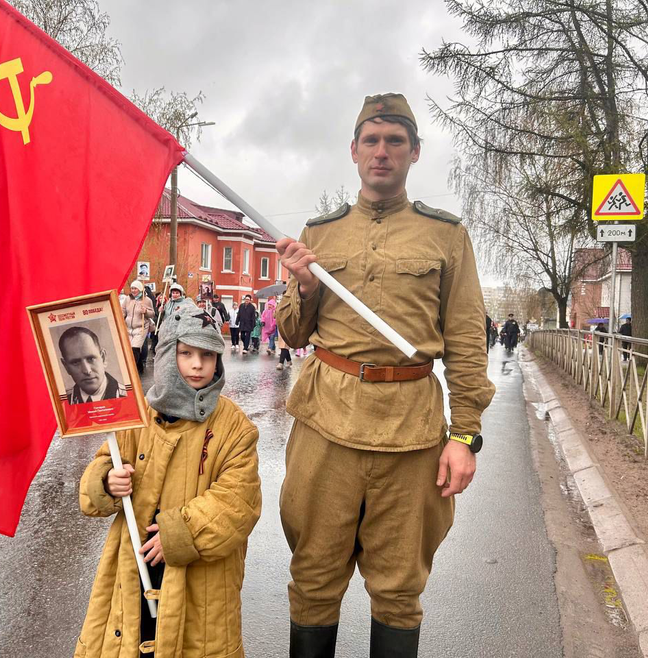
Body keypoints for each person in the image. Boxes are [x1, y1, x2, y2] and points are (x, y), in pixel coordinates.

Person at [275, 93, 494, 657]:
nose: (381, 152)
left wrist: (465, 435)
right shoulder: (319, 234)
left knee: (399, 590)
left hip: (410, 432)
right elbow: (294, 335)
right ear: (353, 150)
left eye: (395, 141)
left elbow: (467, 340)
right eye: (370, 140)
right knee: (313, 579)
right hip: (325, 426)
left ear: (415, 152)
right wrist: (304, 285)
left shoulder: (446, 236)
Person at [74, 299, 262, 657]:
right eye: (186, 353)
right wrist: (107, 481)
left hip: (198, 574)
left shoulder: (235, 427)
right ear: (166, 355)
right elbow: (103, 467)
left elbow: (240, 500)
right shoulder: (138, 415)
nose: (197, 364)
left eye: (207, 355)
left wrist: (181, 533)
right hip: (134, 563)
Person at [58, 326, 126, 404]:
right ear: (66, 366)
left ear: (103, 358)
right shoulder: (60, 402)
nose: (87, 370)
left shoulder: (130, 396)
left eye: (91, 359)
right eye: (76, 362)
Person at [121, 280, 154, 374]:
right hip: (129, 328)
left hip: (141, 327)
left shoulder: (146, 300)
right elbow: (123, 310)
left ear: (140, 289)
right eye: (132, 288)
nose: (133, 290)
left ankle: (132, 371)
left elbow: (152, 314)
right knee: (130, 348)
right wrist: (121, 317)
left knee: (135, 348)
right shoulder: (127, 299)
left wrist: (146, 312)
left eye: (135, 288)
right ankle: (140, 367)